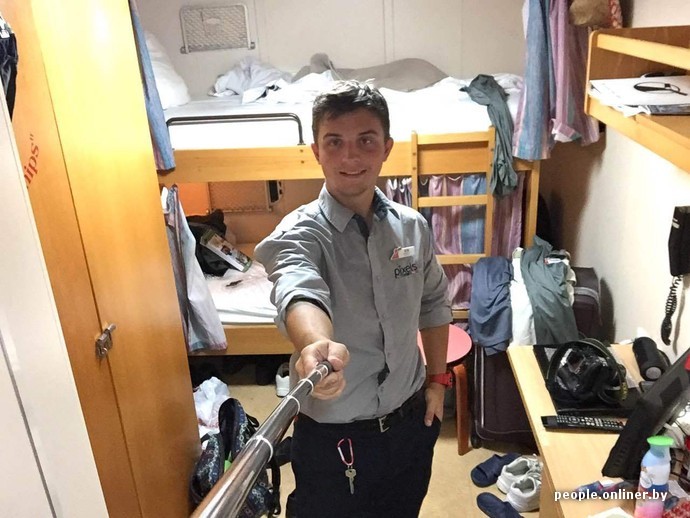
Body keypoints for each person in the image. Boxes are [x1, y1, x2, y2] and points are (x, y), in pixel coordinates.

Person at [255, 80, 452, 518]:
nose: (350, 157)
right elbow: (299, 288)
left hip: (410, 422)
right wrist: (316, 346)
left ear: (386, 148)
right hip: (333, 434)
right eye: (335, 142)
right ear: (316, 150)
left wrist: (438, 382)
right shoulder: (299, 233)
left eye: (365, 140)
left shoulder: (412, 227)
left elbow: (434, 302)